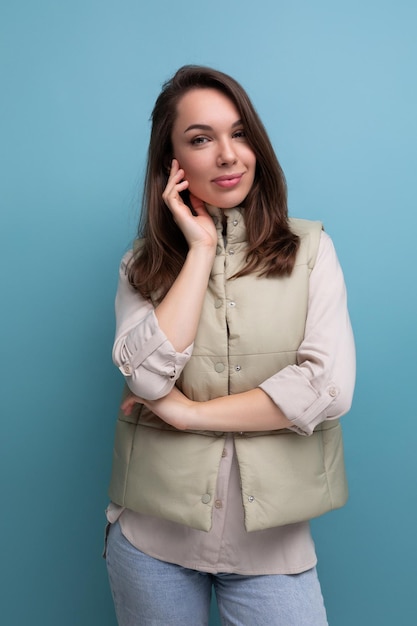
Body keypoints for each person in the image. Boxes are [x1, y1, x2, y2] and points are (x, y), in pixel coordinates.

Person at [104, 65, 356, 626]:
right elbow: (146, 379)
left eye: (239, 133)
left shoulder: (311, 250)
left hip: (273, 548)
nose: (227, 155)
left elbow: (327, 389)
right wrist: (198, 250)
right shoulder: (140, 265)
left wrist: (190, 415)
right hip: (152, 541)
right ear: (171, 164)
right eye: (200, 139)